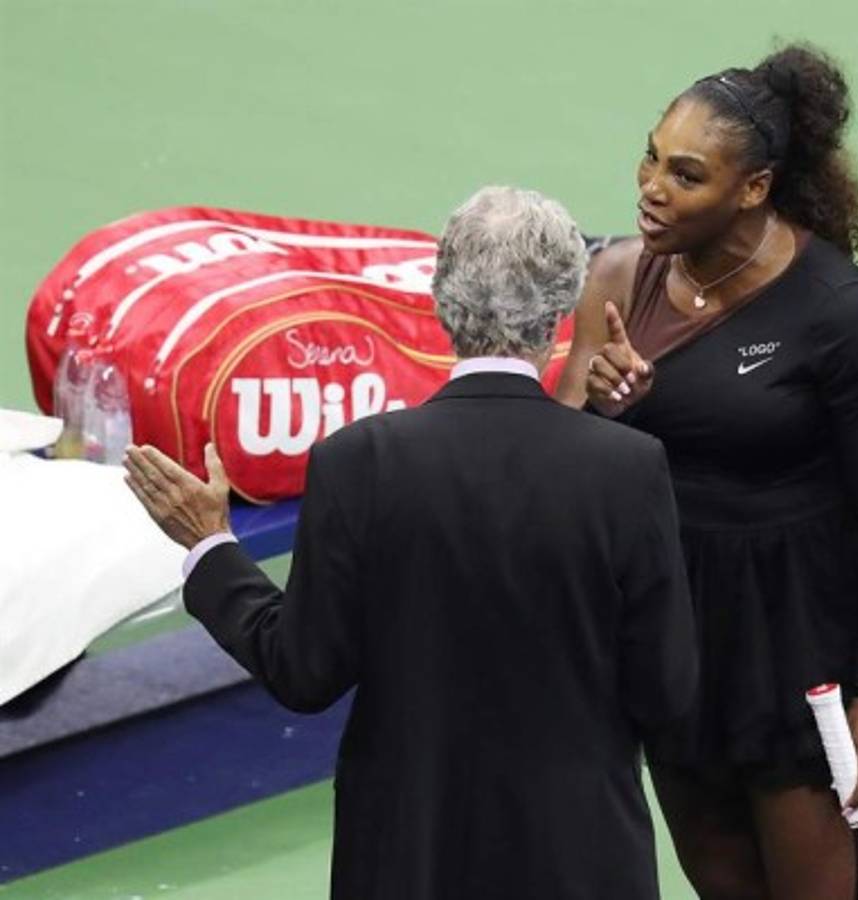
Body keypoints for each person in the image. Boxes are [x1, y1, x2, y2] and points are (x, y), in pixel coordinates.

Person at [123, 186, 698, 900]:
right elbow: (668, 691)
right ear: (560, 312)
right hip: (579, 859)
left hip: (406, 860)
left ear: (441, 299)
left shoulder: (356, 462)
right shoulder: (627, 468)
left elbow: (303, 672)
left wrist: (211, 546)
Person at [556, 44, 858, 899]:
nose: (651, 188)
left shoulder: (841, 315)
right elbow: (561, 467)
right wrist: (606, 410)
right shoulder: (620, 277)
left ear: (754, 187)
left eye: (687, 174)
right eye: (652, 157)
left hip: (803, 641)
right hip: (678, 632)